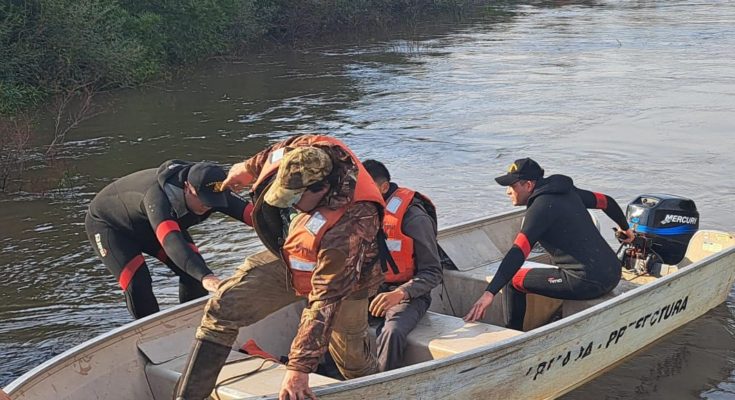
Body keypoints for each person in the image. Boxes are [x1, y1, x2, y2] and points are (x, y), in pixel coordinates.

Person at [175, 135, 385, 400]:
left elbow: (325, 301)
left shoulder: (352, 224)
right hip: (293, 259)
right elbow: (274, 153)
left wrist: (298, 368)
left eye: (295, 198)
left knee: (352, 360)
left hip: (344, 282)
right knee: (223, 306)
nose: (290, 205)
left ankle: (386, 391)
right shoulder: (308, 153)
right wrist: (247, 167)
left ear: (320, 190)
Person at [463, 158, 634, 329]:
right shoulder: (568, 191)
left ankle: (512, 335)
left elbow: (518, 252)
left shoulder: (539, 208)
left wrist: (489, 292)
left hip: (586, 282)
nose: (508, 192)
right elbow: (606, 201)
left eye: (512, 186)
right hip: (613, 273)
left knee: (512, 281)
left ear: (528, 185)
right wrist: (626, 229)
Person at [85, 160, 253, 319]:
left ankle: (191, 323)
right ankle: (149, 334)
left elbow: (257, 217)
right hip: (111, 228)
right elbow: (172, 241)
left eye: (212, 202)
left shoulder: (214, 188)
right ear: (187, 187)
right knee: (138, 284)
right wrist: (206, 277)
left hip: (153, 225)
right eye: (202, 200)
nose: (207, 206)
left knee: (193, 278)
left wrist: (279, 239)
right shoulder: (158, 198)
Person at [362, 159, 442, 372]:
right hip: (370, 289)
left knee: (393, 331)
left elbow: (433, 272)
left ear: (384, 187)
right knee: (328, 314)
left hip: (410, 294)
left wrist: (400, 293)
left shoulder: (414, 218)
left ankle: (383, 385)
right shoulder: (361, 213)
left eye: (366, 188)